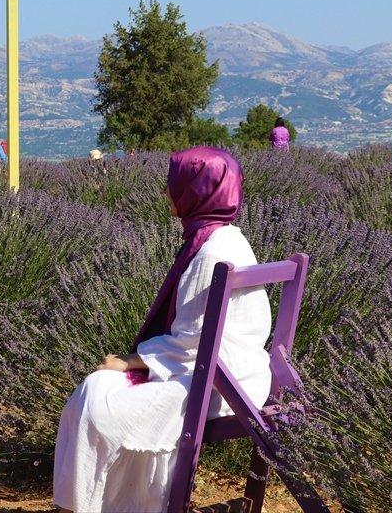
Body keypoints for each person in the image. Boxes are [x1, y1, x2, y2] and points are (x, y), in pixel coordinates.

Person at [53, 147, 272, 513]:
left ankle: (92, 505)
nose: (166, 192)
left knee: (96, 400)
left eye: (174, 184)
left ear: (197, 191)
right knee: (95, 391)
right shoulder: (229, 238)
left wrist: (132, 361)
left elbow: (193, 341)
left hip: (215, 384)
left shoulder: (210, 252)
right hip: (236, 374)